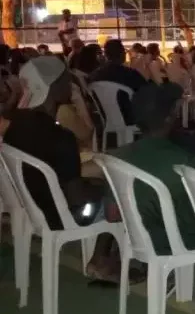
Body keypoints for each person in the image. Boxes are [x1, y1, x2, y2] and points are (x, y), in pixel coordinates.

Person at [0, 57, 119, 280]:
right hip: (61, 216)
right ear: (53, 87)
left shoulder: (15, 125)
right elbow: (77, 198)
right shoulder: (60, 137)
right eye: (66, 80)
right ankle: (100, 259)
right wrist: (102, 188)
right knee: (117, 196)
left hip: (31, 207)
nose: (71, 86)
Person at [109, 82, 195, 255]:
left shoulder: (116, 157)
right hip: (179, 243)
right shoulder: (183, 160)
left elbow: (111, 214)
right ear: (170, 116)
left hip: (134, 239)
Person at [90, 40, 148, 125]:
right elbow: (146, 91)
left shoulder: (95, 75)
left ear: (106, 55)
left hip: (105, 117)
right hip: (130, 116)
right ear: (122, 54)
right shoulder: (129, 74)